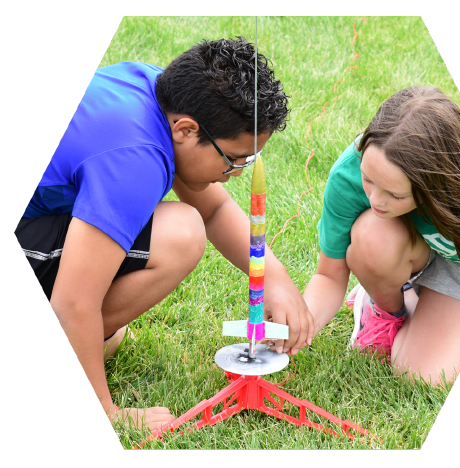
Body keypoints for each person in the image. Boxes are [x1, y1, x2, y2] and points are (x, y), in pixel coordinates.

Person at [14, 37, 314, 430]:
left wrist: (275, 278)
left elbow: (217, 208)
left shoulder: (158, 93)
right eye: (233, 160)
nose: (238, 173)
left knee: (106, 334)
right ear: (187, 131)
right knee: (181, 233)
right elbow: (73, 303)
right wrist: (108, 415)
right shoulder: (136, 158)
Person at [303, 86, 460, 386]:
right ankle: (383, 305)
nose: (375, 201)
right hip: (407, 248)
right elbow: (329, 277)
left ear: (435, 186)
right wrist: (299, 325)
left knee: (424, 376)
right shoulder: (348, 175)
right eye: (368, 179)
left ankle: (413, 298)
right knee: (372, 233)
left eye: (394, 195)